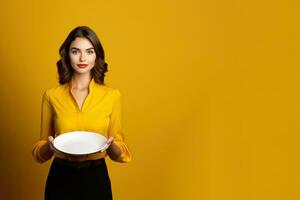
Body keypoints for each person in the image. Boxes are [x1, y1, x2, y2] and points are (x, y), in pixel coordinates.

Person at [31, 26, 131, 200]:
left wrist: (112, 145)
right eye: (76, 51)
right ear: (67, 55)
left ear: (97, 56)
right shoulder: (52, 95)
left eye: (89, 51)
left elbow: (121, 153)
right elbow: (39, 153)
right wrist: (49, 145)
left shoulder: (112, 96)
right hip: (60, 177)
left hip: (96, 177)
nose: (82, 58)